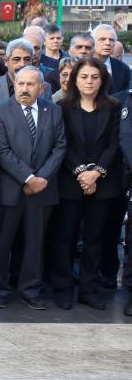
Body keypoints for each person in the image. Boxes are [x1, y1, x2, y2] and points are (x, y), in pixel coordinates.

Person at [0, 66, 66, 310]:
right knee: (3, 241)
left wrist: (41, 178)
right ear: (14, 85)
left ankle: (30, 289)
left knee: (35, 242)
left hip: (44, 189)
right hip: (11, 188)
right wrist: (28, 178)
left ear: (41, 87)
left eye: (31, 84)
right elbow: (1, 151)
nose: (24, 89)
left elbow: (60, 146)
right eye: (20, 84)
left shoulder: (53, 110)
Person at [50, 58, 120, 310]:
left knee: (94, 238)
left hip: (104, 183)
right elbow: (62, 143)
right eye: (84, 76)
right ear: (74, 80)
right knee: (64, 237)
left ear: (102, 80)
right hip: (69, 181)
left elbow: (114, 144)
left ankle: (89, 289)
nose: (89, 81)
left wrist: (96, 173)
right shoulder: (62, 107)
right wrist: (82, 172)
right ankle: (63, 287)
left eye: (94, 77)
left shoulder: (113, 107)